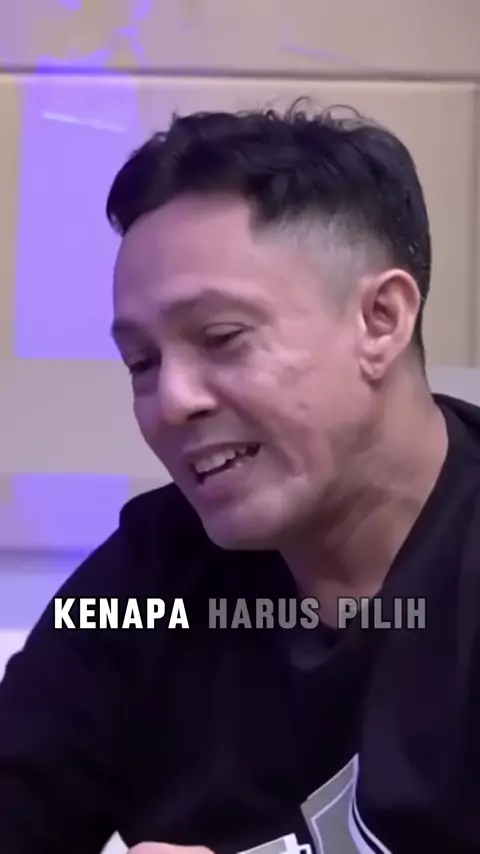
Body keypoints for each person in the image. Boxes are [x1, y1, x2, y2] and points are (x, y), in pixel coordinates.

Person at [0, 100, 479, 854]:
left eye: (222, 338)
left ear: (381, 320)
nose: (171, 401)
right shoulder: (150, 584)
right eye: (142, 363)